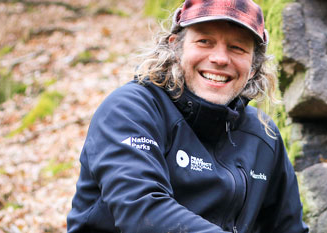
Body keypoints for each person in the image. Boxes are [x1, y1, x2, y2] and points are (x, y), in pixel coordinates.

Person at [66, 0, 308, 232]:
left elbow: (289, 227)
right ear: (175, 46)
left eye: (237, 47)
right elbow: (142, 213)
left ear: (253, 66)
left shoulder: (262, 134)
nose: (220, 58)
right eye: (204, 41)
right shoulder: (131, 110)